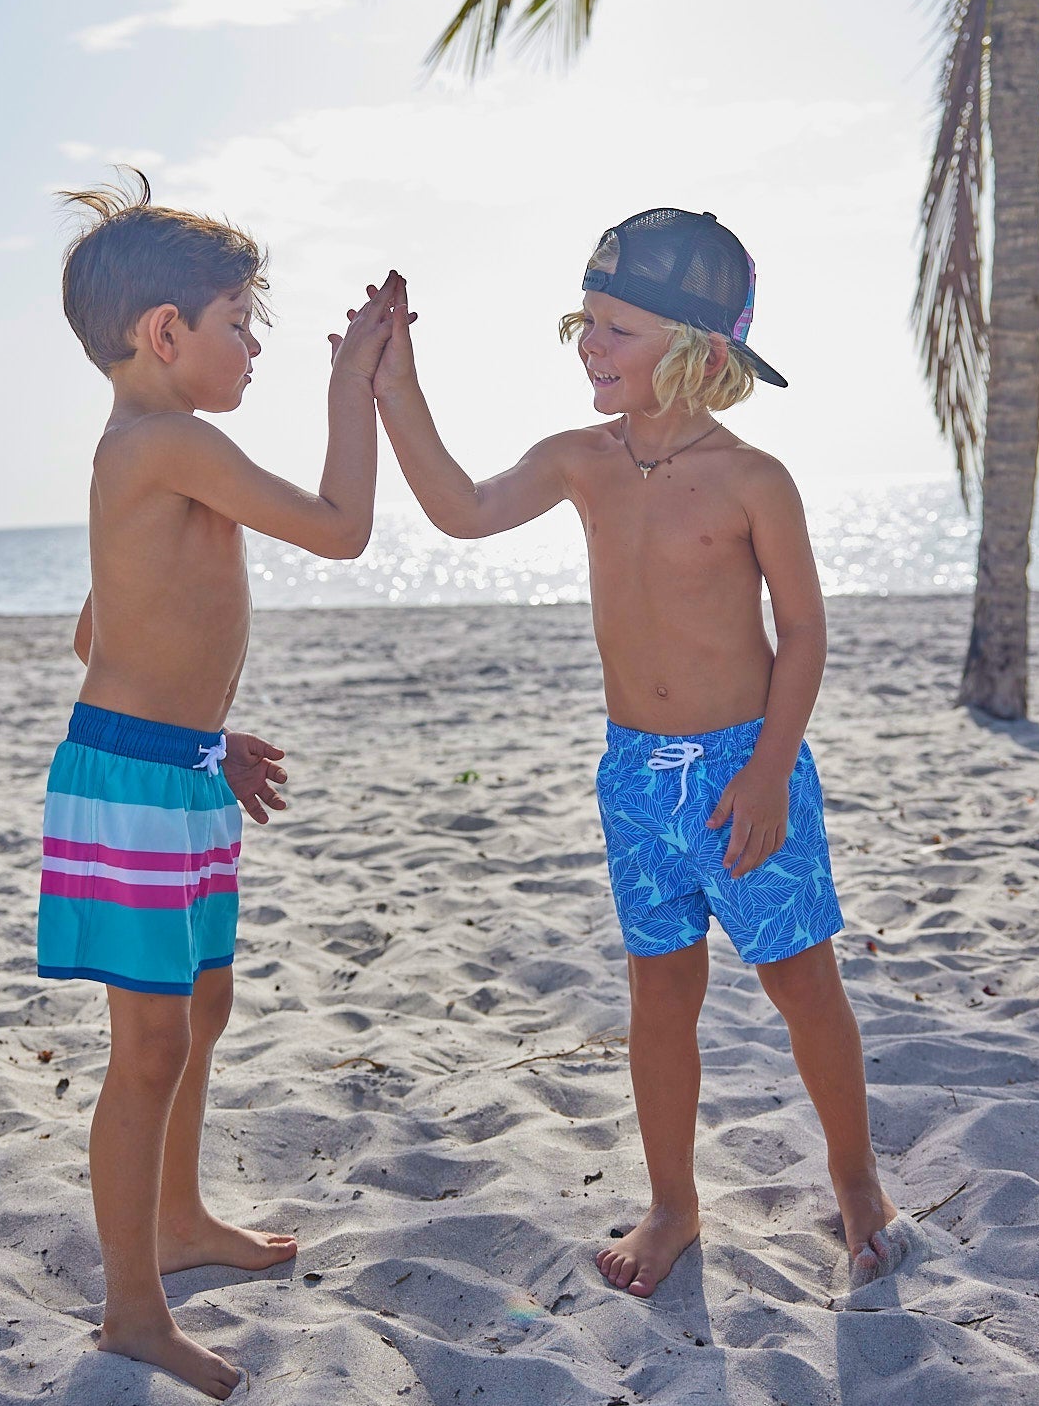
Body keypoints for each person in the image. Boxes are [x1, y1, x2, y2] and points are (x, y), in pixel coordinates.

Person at [370, 208, 912, 1298]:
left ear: (696, 350)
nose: (590, 345)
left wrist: (766, 770)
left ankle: (855, 1179)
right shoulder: (581, 460)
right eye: (586, 321)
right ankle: (672, 1199)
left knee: (801, 984)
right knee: (658, 997)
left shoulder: (754, 479)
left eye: (616, 328)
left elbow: (801, 632)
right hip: (633, 775)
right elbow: (460, 506)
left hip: (746, 769)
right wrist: (394, 384)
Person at [38, 172, 397, 1396]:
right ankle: (132, 1309)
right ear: (164, 334)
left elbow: (102, 632)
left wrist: (208, 734)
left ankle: (180, 1218)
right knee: (146, 1044)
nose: (255, 345)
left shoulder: (140, 454)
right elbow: (342, 526)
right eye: (242, 321)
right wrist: (357, 390)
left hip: (170, 770)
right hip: (131, 786)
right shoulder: (170, 439)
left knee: (203, 1007)